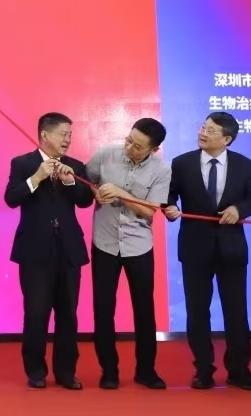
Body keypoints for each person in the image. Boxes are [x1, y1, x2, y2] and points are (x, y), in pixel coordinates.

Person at [163, 111, 251, 391]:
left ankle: (239, 371)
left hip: (231, 249)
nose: (203, 133)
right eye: (203, 127)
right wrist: (169, 207)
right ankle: (203, 370)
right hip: (195, 247)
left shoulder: (244, 164)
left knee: (236, 312)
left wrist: (238, 209)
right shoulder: (182, 163)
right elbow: (168, 194)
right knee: (197, 311)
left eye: (210, 130)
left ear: (227, 139)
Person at [3, 112, 93, 390]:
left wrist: (70, 182)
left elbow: (85, 201)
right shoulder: (23, 163)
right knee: (36, 312)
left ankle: (66, 372)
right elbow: (11, 198)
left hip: (68, 250)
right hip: (35, 251)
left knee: (68, 314)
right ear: (45, 134)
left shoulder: (75, 166)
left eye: (70, 135)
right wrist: (36, 178)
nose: (68, 139)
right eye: (63, 134)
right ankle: (36, 371)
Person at [84, 118, 170, 390]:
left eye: (138, 146)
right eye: (129, 140)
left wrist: (121, 193)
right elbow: (86, 182)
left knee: (144, 310)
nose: (129, 147)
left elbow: (150, 211)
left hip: (139, 245)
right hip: (104, 243)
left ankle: (146, 371)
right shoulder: (105, 154)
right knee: (103, 309)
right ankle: (108, 371)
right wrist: (95, 193)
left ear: (153, 150)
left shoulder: (162, 170)